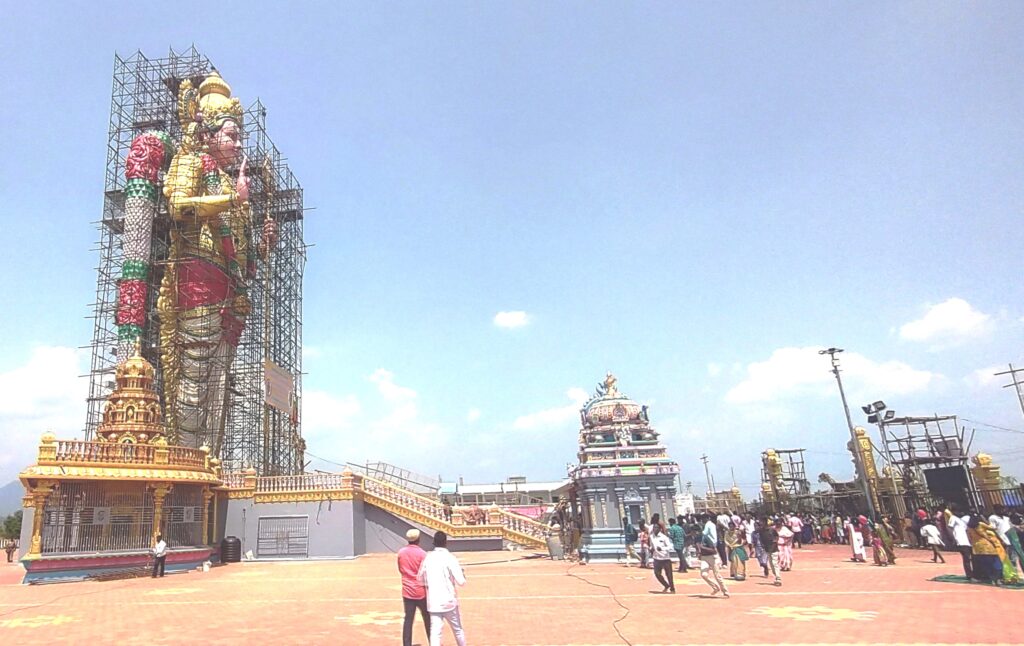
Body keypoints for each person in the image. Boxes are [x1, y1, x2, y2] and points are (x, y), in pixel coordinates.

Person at [418, 531, 467, 646]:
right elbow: (461, 582)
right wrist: (463, 574)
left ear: (434, 543)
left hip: (434, 602)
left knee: (435, 633)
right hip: (449, 600)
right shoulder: (450, 558)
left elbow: (420, 579)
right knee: (458, 630)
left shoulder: (428, 558)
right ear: (446, 542)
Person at [398, 529, 431, 646]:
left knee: (408, 619)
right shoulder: (423, 554)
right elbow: (426, 573)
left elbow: (400, 569)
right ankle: (433, 642)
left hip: (407, 591)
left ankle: (406, 644)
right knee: (427, 618)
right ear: (418, 539)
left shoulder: (401, 552)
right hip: (421, 591)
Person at [966, 515, 1007, 584]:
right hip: (987, 546)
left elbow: (969, 538)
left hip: (977, 548)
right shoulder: (980, 524)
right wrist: (985, 520)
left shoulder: (969, 528)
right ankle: (997, 579)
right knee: (996, 562)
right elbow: (992, 528)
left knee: (985, 564)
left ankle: (990, 578)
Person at [698, 521, 729, 597]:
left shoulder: (706, 538)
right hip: (704, 558)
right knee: (704, 574)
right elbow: (697, 547)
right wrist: (699, 553)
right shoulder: (696, 538)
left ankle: (725, 591)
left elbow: (714, 550)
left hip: (712, 557)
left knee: (717, 575)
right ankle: (715, 587)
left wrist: (703, 548)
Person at [945, 504, 974, 580]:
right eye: (958, 511)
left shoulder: (961, 520)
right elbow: (950, 528)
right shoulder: (953, 518)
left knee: (971, 557)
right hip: (960, 541)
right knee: (966, 558)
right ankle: (969, 575)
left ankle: (973, 573)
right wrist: (953, 539)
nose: (960, 513)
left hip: (966, 541)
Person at [650, 524, 676, 593]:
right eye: (654, 528)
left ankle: (672, 589)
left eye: (656, 528)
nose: (655, 529)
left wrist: (662, 548)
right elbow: (652, 545)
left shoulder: (664, 537)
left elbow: (670, 546)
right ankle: (666, 585)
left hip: (665, 558)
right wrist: (651, 549)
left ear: (660, 529)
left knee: (669, 575)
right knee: (657, 573)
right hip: (656, 558)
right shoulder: (652, 537)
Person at [757, 517, 782, 586]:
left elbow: (777, 537)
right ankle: (776, 576)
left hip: (774, 549)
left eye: (761, 521)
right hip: (767, 549)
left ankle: (778, 578)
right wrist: (763, 546)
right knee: (771, 564)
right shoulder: (761, 531)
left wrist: (775, 542)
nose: (760, 523)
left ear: (765, 522)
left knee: (774, 563)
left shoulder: (772, 530)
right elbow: (761, 539)